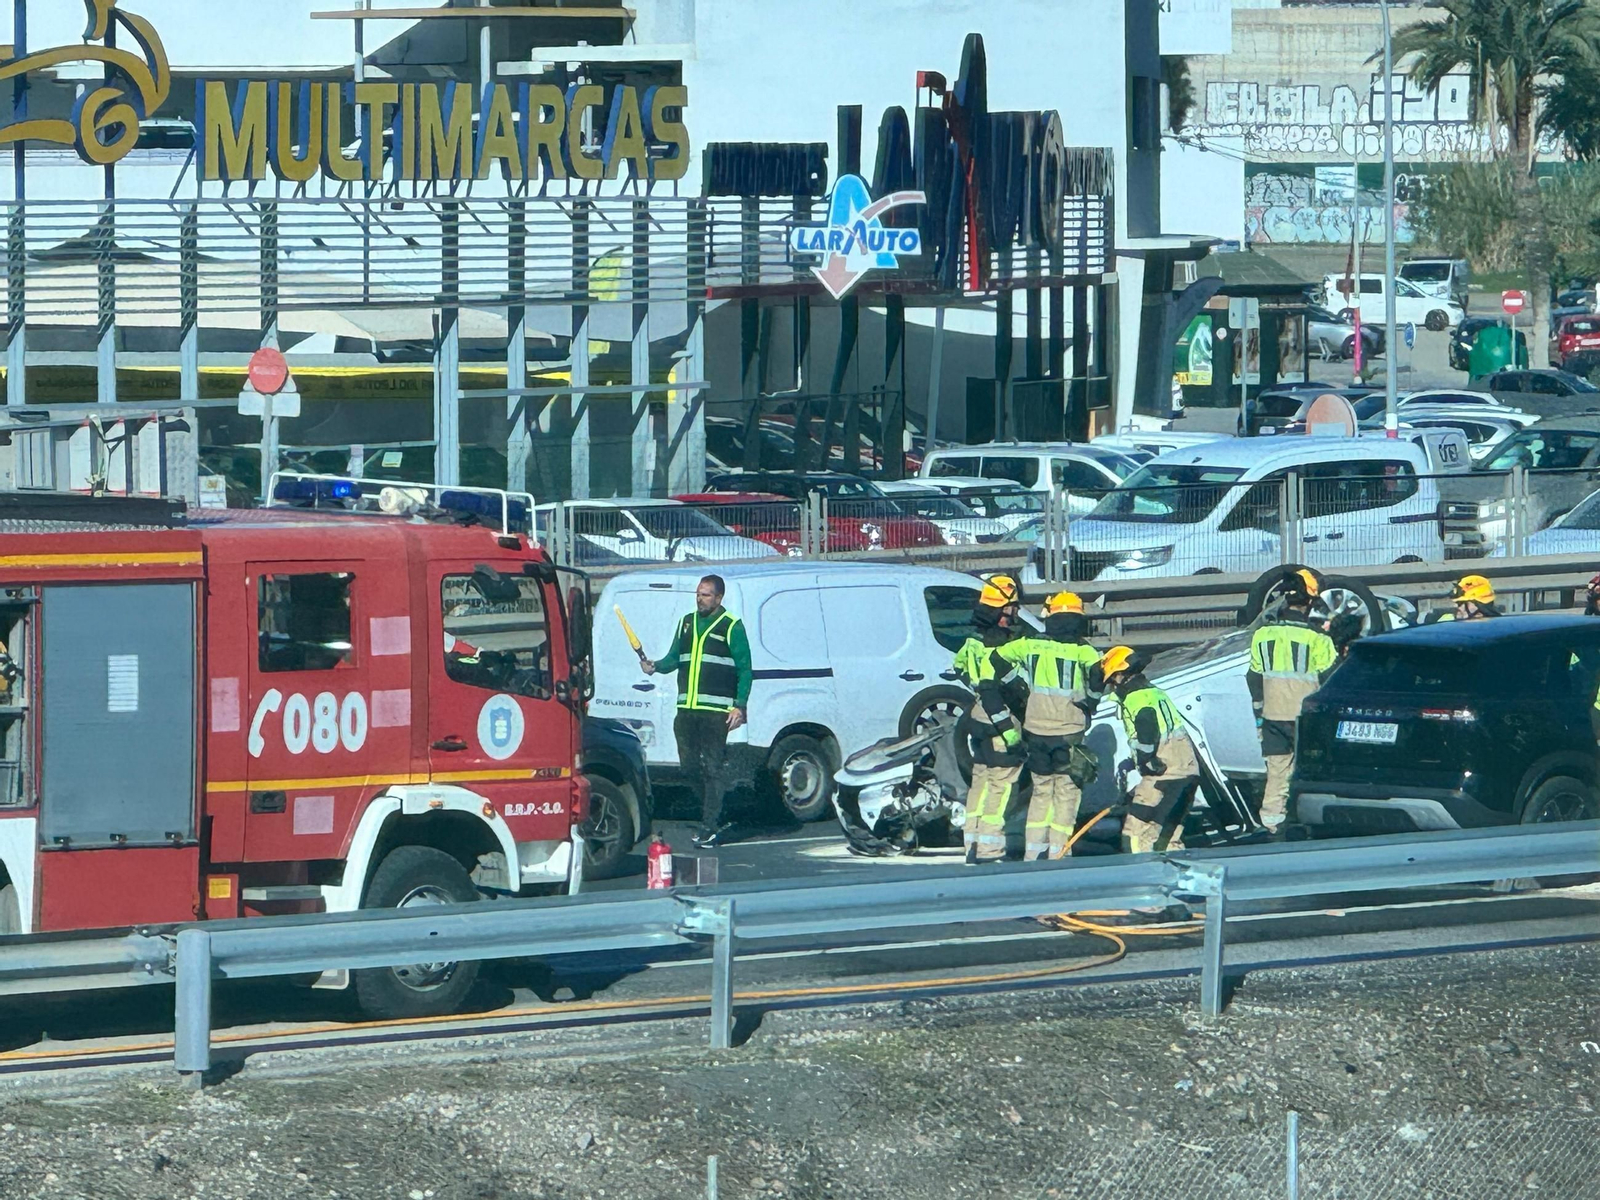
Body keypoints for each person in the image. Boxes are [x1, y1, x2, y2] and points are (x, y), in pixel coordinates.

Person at [640, 575, 752, 849]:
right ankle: (714, 809)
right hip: (686, 710)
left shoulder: (731, 626)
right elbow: (674, 658)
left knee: (712, 767)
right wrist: (655, 666)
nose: (699, 599)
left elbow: (745, 668)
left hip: (715, 711)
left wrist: (740, 705)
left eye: (706, 595)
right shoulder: (686, 622)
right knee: (689, 767)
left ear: (719, 598)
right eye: (698, 594)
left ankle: (710, 825)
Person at [997, 591, 1100, 859]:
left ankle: (1033, 854)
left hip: (1036, 730)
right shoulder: (1084, 651)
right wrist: (1091, 703)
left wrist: (1017, 687)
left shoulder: (1030, 645)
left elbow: (995, 660)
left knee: (1041, 792)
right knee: (1066, 792)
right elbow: (1098, 677)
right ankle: (1059, 852)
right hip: (1069, 731)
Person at [1246, 569, 1337, 834]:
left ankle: (1271, 824)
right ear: (1309, 601)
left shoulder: (1262, 635)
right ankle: (1303, 820)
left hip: (1273, 714)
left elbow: (1254, 676)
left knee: (1277, 769)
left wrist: (1258, 712)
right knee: (1307, 769)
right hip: (1304, 716)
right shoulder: (1317, 638)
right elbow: (1329, 678)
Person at [1095, 644, 1199, 855]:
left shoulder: (1136, 698)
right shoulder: (1154, 692)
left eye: (1112, 680)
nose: (1112, 686)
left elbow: (1146, 727)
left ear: (1121, 675)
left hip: (1162, 774)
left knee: (1137, 832)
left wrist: (1146, 759)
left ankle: (1139, 876)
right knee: (1169, 833)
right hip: (1186, 770)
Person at [953, 575, 1027, 864]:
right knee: (1000, 789)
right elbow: (1002, 688)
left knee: (980, 786)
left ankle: (972, 844)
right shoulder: (1001, 646)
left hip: (977, 721)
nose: (1017, 612)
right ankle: (990, 850)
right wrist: (1013, 731)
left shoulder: (971, 642)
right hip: (1001, 725)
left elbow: (959, 668)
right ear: (1005, 608)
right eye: (1014, 606)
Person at [1428, 574, 1501, 622]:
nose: (1457, 606)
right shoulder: (1446, 621)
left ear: (1480, 614)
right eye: (1458, 603)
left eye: (1463, 603)